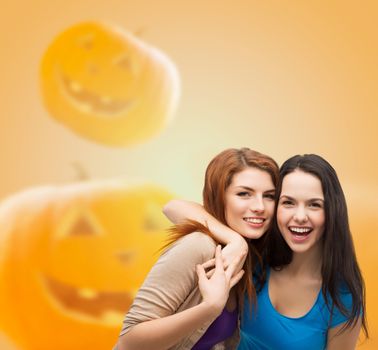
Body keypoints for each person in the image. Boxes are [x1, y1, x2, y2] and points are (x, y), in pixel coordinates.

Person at [164, 154, 368, 349]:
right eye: (288, 202)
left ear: (333, 211)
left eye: (314, 205)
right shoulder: (257, 254)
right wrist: (236, 241)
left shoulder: (342, 298)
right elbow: (173, 207)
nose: (299, 216)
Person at [114, 148, 279, 350]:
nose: (260, 206)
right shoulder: (198, 247)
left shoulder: (250, 258)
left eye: (269, 196)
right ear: (220, 197)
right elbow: (128, 342)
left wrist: (237, 242)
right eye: (244, 194)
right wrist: (209, 308)